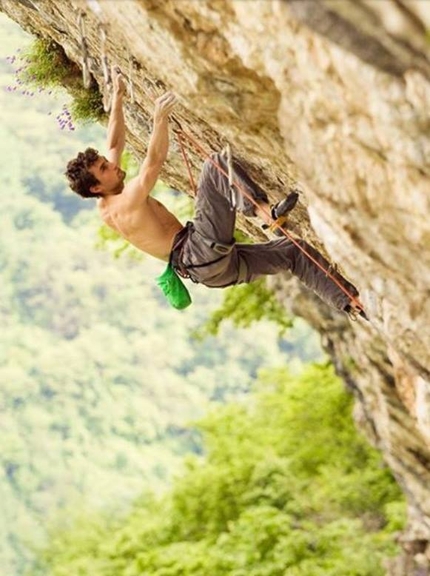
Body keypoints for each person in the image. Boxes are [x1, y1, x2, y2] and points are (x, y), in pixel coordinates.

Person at [65, 67, 363, 317]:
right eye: (105, 169)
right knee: (215, 166)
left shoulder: (108, 195)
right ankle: (264, 214)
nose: (113, 166)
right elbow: (152, 165)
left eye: (106, 164)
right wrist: (159, 119)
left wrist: (117, 97)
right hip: (198, 252)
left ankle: (349, 301)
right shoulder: (123, 206)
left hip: (209, 271)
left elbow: (115, 145)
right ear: (95, 187)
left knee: (292, 254)